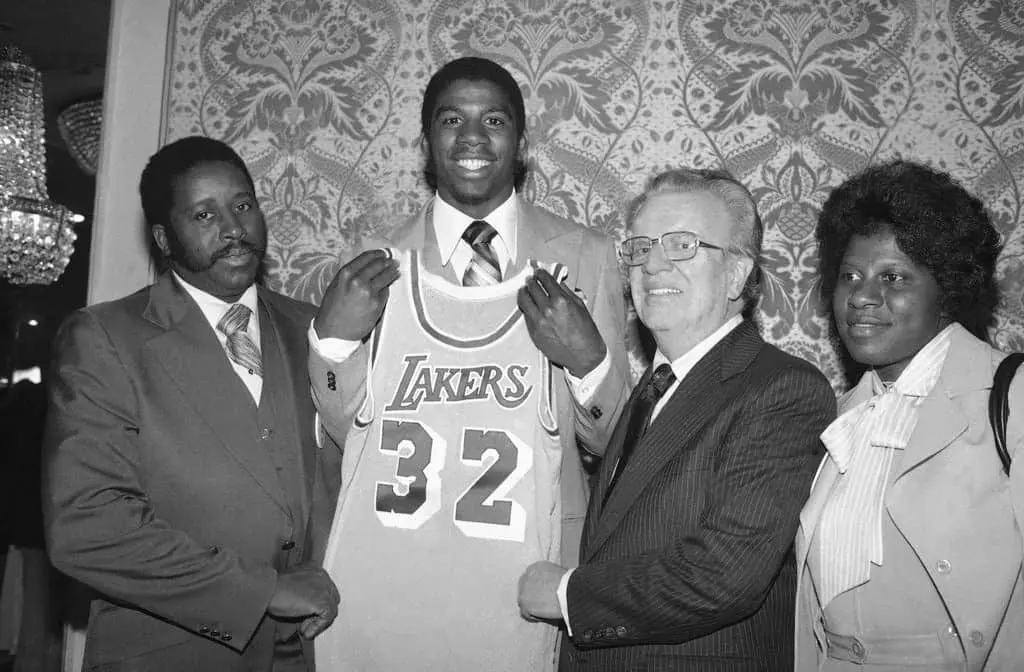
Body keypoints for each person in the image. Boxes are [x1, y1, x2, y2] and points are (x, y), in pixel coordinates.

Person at [309, 56, 630, 670]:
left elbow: (615, 439)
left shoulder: (586, 256)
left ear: (522, 142)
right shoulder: (375, 260)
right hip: (399, 569)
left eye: (495, 119)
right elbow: (344, 431)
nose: (474, 137)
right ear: (427, 142)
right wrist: (331, 346)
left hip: (530, 571)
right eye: (452, 119)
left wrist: (588, 362)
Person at [517, 167, 837, 671]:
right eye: (641, 247)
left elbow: (725, 572)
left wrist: (566, 595)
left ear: (736, 273)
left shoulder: (781, 389)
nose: (654, 265)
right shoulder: (651, 390)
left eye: (682, 245)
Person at [42, 136, 341, 671]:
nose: (233, 229)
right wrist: (262, 591)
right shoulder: (104, 338)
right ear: (163, 238)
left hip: (313, 652)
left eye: (243, 205)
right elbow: (86, 525)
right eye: (204, 214)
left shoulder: (316, 328)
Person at [795, 160, 1024, 670]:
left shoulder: (1011, 398)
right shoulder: (847, 417)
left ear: (947, 291)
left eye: (892, 277)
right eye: (849, 275)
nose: (861, 296)